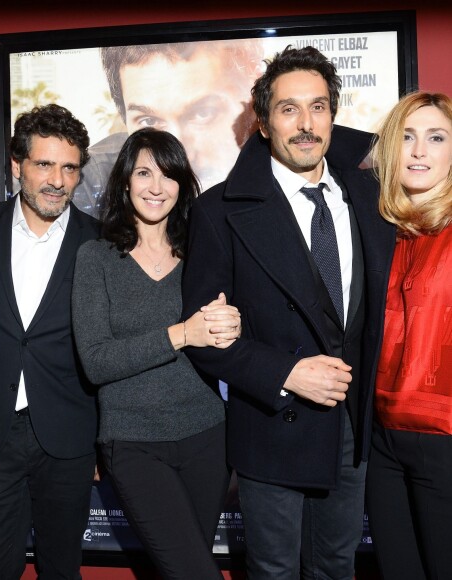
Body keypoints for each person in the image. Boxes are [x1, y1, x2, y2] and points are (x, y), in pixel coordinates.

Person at [181, 46, 395, 579]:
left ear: (333, 115)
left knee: (337, 568)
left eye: (318, 107)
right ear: (262, 120)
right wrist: (286, 372)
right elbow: (205, 337)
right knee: (274, 571)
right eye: (288, 109)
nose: (306, 124)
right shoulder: (219, 211)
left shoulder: (371, 195)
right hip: (274, 425)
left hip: (352, 428)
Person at [71, 128, 240, 579]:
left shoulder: (202, 253)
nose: (155, 186)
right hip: (133, 442)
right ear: (125, 180)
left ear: (182, 185)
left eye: (168, 175)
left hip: (209, 436)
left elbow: (235, 333)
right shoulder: (97, 258)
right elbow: (96, 362)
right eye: (143, 172)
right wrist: (180, 334)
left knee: (185, 567)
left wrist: (234, 325)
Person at [0, 104, 100, 580]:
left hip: (69, 436)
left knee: (63, 569)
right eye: (44, 164)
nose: (57, 179)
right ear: (17, 166)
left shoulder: (100, 244)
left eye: (69, 167)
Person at [365, 91, 452, 580]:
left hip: (445, 435)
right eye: (406, 138)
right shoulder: (384, 230)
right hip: (383, 438)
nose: (419, 151)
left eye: (436, 138)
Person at [74, 39, 263, 216]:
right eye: (149, 121)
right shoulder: (91, 184)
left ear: (254, 106)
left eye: (203, 114)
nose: (176, 155)